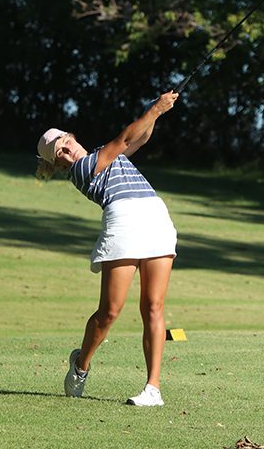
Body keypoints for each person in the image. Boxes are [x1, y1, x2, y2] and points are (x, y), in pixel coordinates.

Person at [35, 91, 180, 407]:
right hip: (123, 222)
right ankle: (81, 363)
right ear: (57, 163)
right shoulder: (83, 169)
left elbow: (138, 137)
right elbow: (125, 139)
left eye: (65, 143)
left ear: (73, 138)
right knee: (110, 311)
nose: (65, 151)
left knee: (153, 306)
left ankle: (152, 389)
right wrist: (155, 108)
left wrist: (155, 113)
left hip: (156, 217)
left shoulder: (106, 155)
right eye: (58, 153)